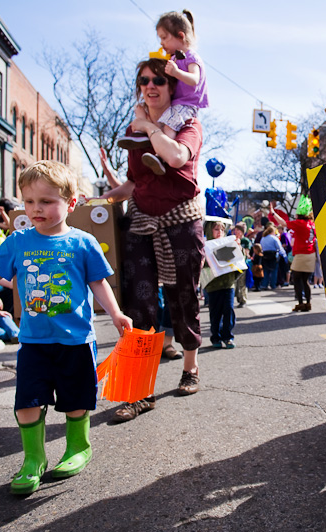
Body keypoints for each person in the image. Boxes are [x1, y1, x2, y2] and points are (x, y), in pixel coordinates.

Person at [0, 160, 132, 495]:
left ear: (71, 203)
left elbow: (99, 283)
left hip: (76, 340)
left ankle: (78, 447)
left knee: (76, 399)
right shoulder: (18, 241)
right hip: (34, 342)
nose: (37, 209)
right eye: (30, 201)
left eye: (47, 201)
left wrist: (117, 313)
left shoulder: (83, 242)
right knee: (26, 401)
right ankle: (33, 458)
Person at [100, 57, 206, 421]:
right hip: (142, 223)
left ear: (172, 86)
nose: (150, 85)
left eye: (158, 79)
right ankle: (139, 391)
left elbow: (175, 158)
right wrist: (102, 200)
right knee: (139, 304)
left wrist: (148, 124)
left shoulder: (190, 125)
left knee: (182, 299)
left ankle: (190, 368)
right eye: (144, 80)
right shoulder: (133, 134)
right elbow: (135, 183)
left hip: (181, 222)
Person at [118, 10, 208, 177]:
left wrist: (176, 73)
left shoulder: (192, 57)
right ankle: (139, 137)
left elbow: (194, 79)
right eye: (144, 81)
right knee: (154, 117)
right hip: (178, 103)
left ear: (180, 36)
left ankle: (160, 157)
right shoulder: (176, 57)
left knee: (168, 125)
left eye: (164, 38)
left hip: (186, 104)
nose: (161, 43)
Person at [268, 198, 317, 311]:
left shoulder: (299, 223)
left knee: (296, 279)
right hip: (310, 254)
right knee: (305, 280)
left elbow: (283, 223)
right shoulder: (311, 224)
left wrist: (273, 213)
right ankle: (308, 303)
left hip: (301, 254)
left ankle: (300, 303)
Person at [203, 220, 240, 348]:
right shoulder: (205, 246)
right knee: (215, 312)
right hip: (213, 285)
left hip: (228, 283)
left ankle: (228, 336)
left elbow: (238, 263)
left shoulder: (228, 243)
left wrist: (239, 251)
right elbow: (204, 267)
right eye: (216, 229)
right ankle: (216, 337)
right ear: (209, 231)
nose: (220, 233)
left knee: (228, 309)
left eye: (222, 230)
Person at [259, 225, 286, 290]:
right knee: (274, 271)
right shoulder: (274, 238)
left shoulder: (263, 238)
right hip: (273, 255)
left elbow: (261, 247)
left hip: (265, 256)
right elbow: (279, 248)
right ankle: (273, 285)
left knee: (266, 271)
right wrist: (284, 256)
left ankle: (264, 284)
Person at [233, 222, 251, 308]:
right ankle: (238, 298)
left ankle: (243, 299)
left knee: (242, 283)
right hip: (234, 265)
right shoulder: (232, 239)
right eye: (235, 230)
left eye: (238, 230)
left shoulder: (245, 241)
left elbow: (247, 253)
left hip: (242, 264)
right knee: (235, 283)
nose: (236, 231)